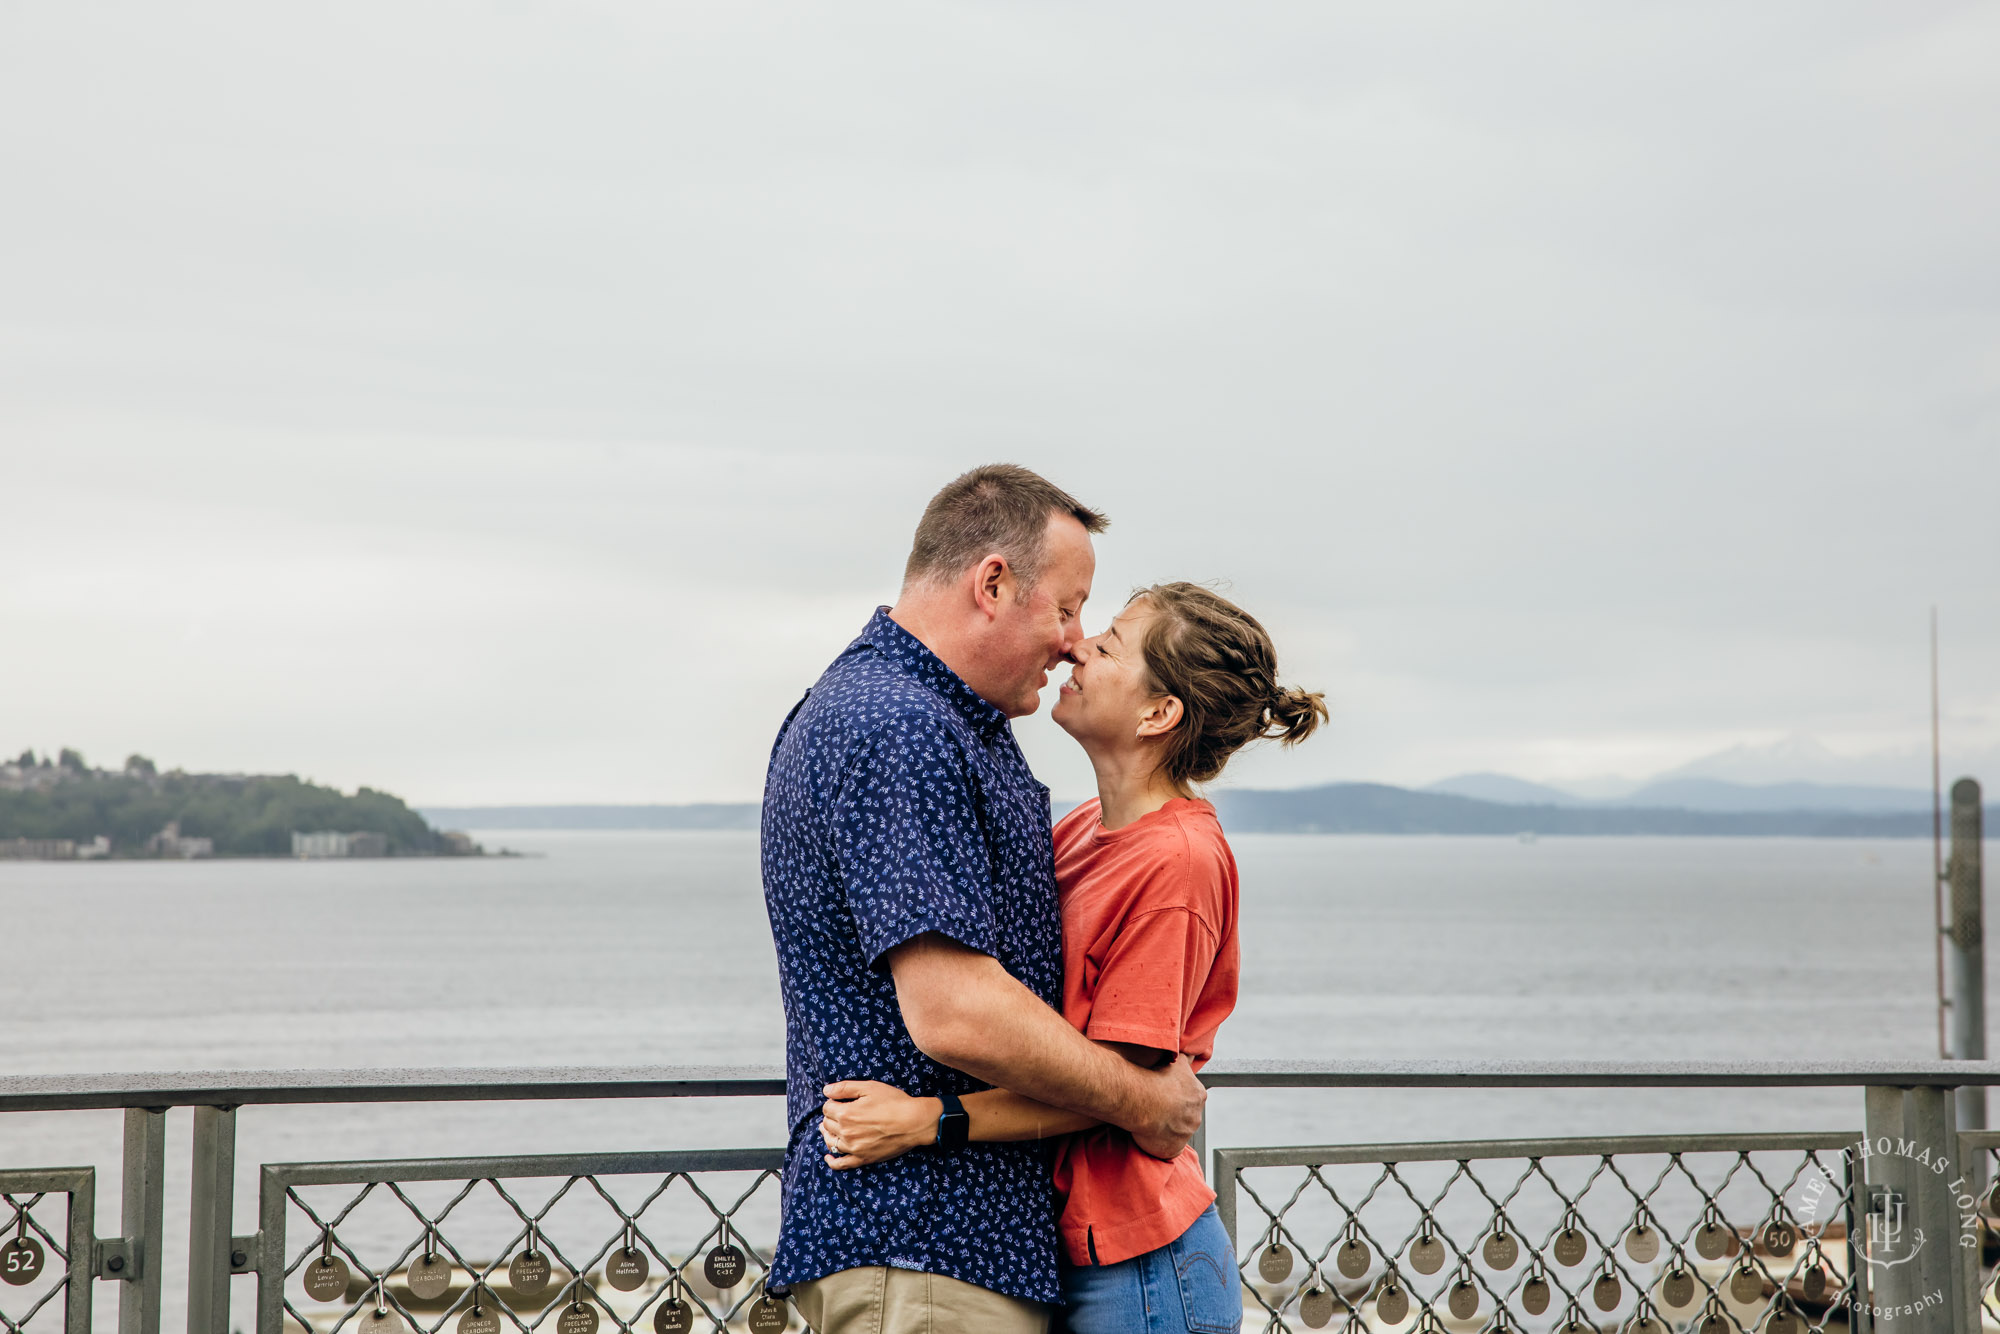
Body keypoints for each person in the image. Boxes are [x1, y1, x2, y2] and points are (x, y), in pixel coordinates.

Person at [761, 465, 1209, 1334]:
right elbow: (955, 1012)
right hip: (924, 1248)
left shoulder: (936, 717)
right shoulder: (900, 727)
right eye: (1068, 608)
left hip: (945, 1253)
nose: (1077, 641)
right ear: (993, 583)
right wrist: (1143, 1101)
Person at [817, 581, 1326, 1334]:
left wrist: (929, 1121)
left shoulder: (1177, 863)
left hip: (1143, 1265)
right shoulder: (1087, 828)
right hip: (1074, 1248)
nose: (1079, 646)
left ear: (1159, 714)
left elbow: (1113, 1086)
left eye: (1112, 643)